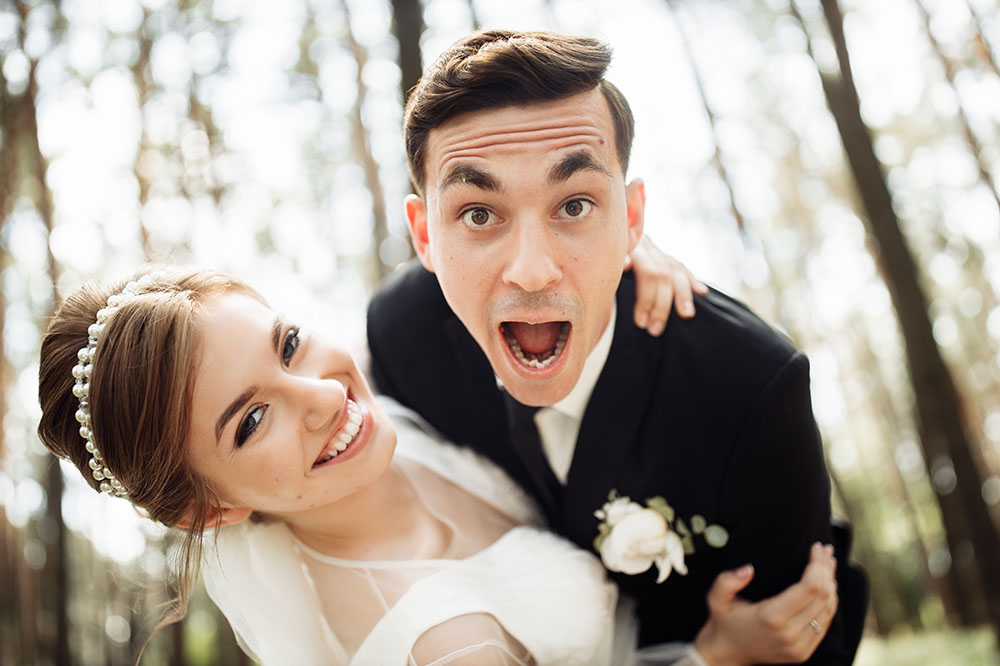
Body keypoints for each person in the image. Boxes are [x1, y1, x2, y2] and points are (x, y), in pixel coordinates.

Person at [38, 267, 838, 665]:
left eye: (288, 344)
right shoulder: (445, 645)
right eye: (251, 421)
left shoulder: (381, 406)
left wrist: (625, 256)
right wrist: (717, 656)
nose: (322, 394)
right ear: (210, 509)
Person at [367, 29, 868, 664]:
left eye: (575, 205)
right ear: (424, 236)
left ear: (631, 220)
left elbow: (805, 640)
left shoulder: (748, 387)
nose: (531, 271)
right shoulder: (403, 337)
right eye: (478, 214)